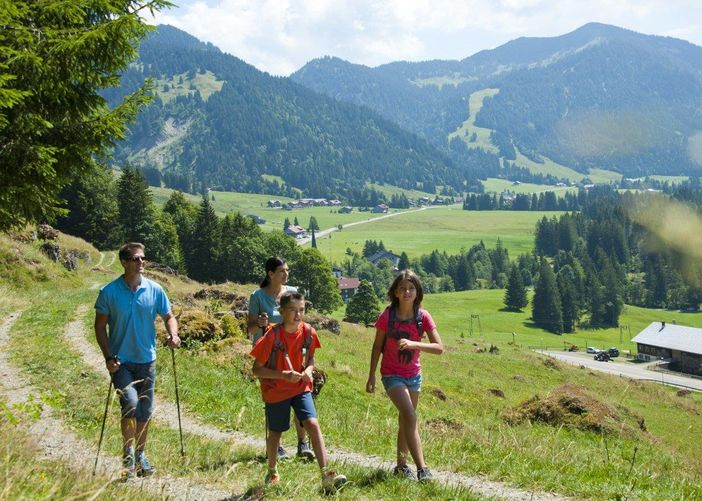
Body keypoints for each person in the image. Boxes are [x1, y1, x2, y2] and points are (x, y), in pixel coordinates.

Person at [95, 242, 181, 480]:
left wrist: (173, 334)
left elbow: (169, 316)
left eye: (143, 258)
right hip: (121, 361)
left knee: (144, 410)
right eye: (135, 259)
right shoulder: (109, 292)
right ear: (124, 262)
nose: (141, 262)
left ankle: (141, 454)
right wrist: (107, 356)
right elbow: (100, 327)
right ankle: (128, 453)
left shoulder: (155, 290)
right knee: (130, 404)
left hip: (147, 359)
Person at [250, 292, 346, 491]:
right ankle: (272, 471)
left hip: (300, 386)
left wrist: (309, 371)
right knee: (276, 432)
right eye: (293, 310)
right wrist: (283, 375)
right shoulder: (271, 336)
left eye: (301, 310)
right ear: (282, 311)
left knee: (312, 423)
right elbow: (256, 369)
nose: (298, 315)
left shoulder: (309, 332)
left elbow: (310, 359)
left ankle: (326, 475)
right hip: (276, 390)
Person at [365, 270, 443, 481]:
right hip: (391, 374)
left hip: (414, 375)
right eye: (402, 289)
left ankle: (401, 466)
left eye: (411, 288)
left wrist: (414, 344)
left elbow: (439, 348)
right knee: (410, 415)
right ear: (396, 293)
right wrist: (371, 375)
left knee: (405, 419)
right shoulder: (387, 316)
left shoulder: (423, 317)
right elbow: (376, 346)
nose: (407, 292)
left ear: (417, 292)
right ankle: (422, 469)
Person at [248, 257, 313, 460]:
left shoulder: (292, 291)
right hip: (268, 356)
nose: (286, 274)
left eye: (287, 270)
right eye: (281, 271)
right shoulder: (257, 296)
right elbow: (249, 329)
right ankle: (277, 447)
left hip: (294, 352)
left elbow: (300, 321)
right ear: (270, 274)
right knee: (274, 399)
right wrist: (259, 323)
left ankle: (302, 443)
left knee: (298, 394)